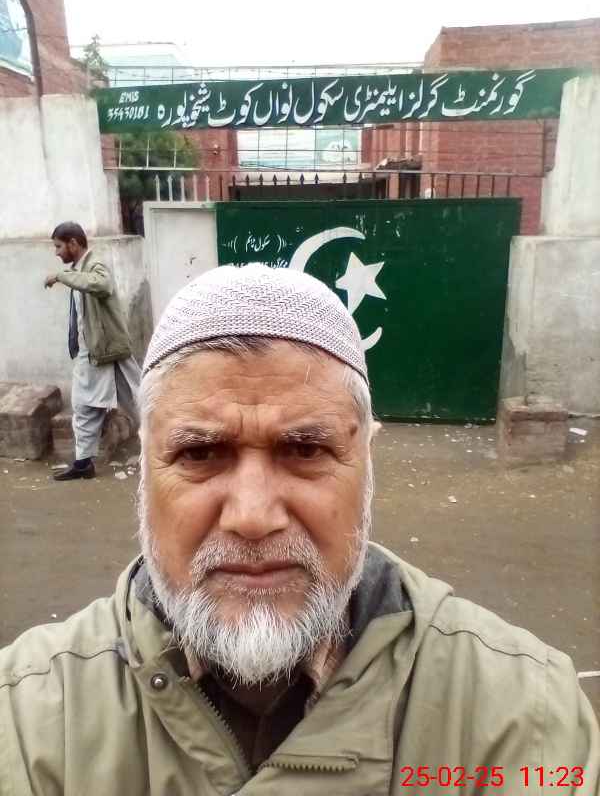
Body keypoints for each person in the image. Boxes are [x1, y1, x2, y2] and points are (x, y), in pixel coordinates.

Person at [2, 263, 598, 795]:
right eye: (200, 453)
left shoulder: (521, 719)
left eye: (306, 449)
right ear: (144, 469)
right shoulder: (30, 722)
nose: (253, 517)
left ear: (367, 462)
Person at [44, 222, 141, 480]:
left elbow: (102, 285)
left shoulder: (96, 264)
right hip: (92, 353)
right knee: (84, 407)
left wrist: (61, 276)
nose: (57, 253)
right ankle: (83, 464)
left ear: (73, 243)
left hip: (110, 351)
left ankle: (169, 446)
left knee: (139, 401)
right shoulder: (79, 270)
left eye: (58, 246)